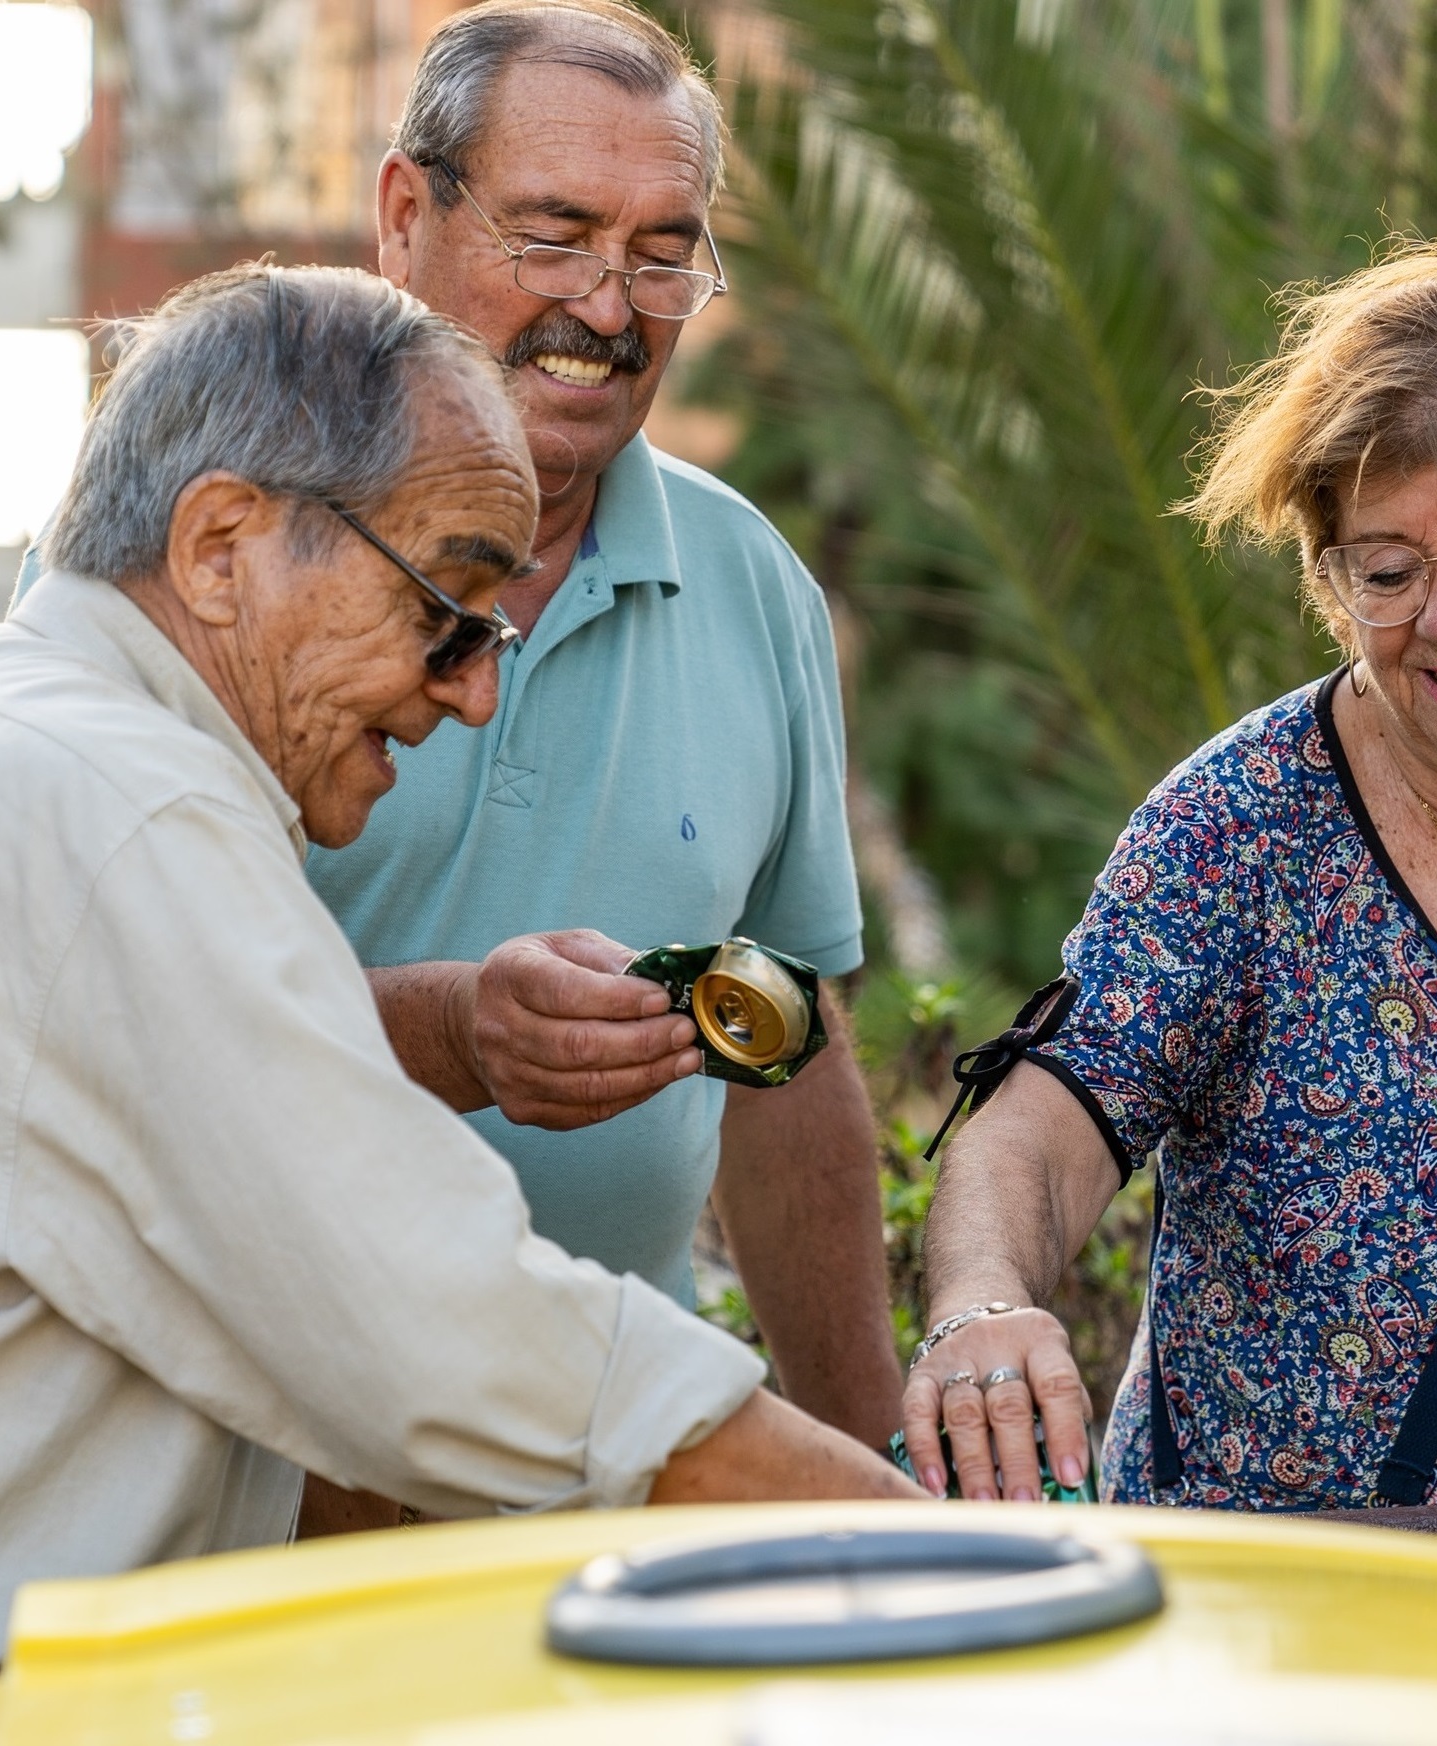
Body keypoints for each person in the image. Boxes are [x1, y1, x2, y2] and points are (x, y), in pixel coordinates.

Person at [0, 264, 915, 1706]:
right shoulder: (127, 812)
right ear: (220, 545)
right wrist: (923, 1554)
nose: (471, 692)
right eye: (447, 611)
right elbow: (444, 1334)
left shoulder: (32, 739)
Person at [901, 245, 1437, 1509]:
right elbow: (1045, 1121)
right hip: (1275, 1600)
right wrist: (979, 1307)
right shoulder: (1238, 826)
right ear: (1329, 587)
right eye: (1386, 571)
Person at [301, 0, 900, 1461]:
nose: (611, 308)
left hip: (610, 1451)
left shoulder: (751, 579)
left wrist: (868, 1470)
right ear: (404, 217)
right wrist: (458, 1029)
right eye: (554, 236)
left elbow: (780, 1049)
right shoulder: (214, 551)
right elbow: (113, 1017)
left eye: (660, 253)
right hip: (260, 1452)